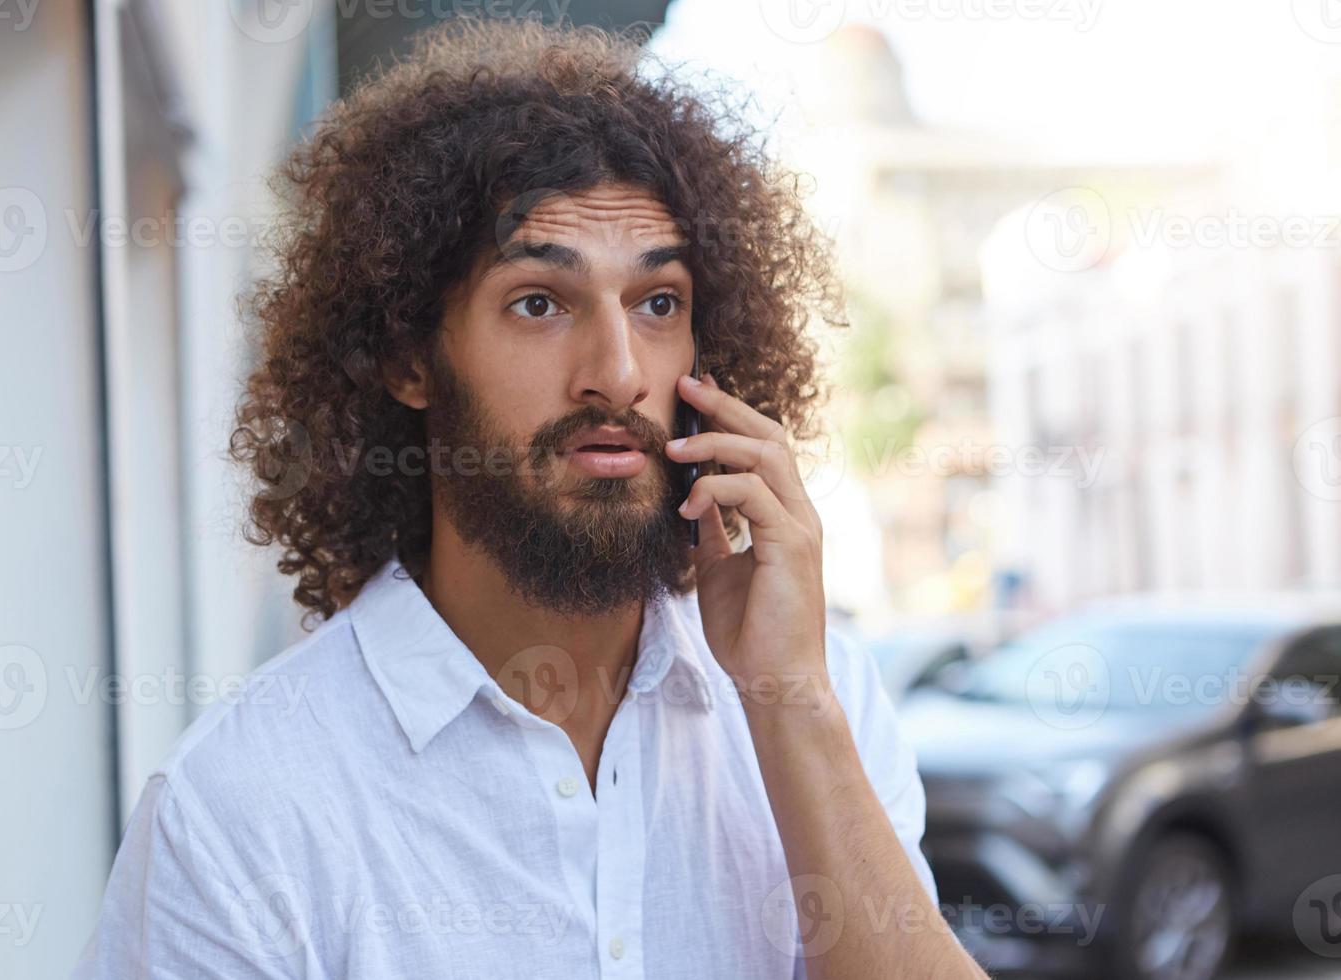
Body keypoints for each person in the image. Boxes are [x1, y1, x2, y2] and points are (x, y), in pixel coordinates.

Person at [72, 16, 985, 979]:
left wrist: (789, 702)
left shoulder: (819, 699)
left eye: (659, 302)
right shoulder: (240, 810)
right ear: (407, 356)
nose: (619, 373)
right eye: (539, 303)